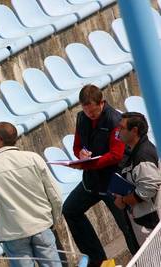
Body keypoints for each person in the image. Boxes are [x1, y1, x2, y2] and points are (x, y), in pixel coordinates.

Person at [62, 85, 139, 266]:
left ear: (102, 103)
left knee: (127, 226)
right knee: (70, 210)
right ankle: (97, 261)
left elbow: (116, 155)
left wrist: (89, 163)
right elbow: (77, 146)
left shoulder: (115, 121)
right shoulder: (81, 118)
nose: (91, 116)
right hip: (92, 180)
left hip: (113, 181)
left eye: (94, 113)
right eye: (87, 112)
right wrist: (81, 155)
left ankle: (140, 259)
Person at [0, 122, 63, 267]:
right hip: (41, 225)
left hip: (13, 233)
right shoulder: (33, 158)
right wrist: (53, 220)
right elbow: (55, 195)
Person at [115, 112, 161, 230]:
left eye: (122, 128)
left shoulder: (142, 155)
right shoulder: (138, 151)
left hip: (155, 220)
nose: (118, 131)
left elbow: (148, 188)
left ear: (134, 131)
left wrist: (124, 200)